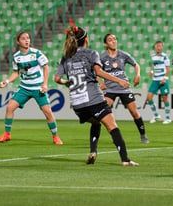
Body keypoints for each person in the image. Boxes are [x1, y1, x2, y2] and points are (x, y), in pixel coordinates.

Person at [54, 22, 138, 166]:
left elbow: (56, 79)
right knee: (112, 126)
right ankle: (125, 159)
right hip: (94, 99)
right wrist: (119, 81)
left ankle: (93, 152)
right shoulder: (91, 53)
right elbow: (99, 72)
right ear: (86, 40)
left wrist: (66, 83)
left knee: (96, 122)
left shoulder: (66, 57)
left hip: (78, 104)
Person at [0, 31, 63, 145]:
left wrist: (45, 84)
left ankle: (55, 136)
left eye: (28, 38)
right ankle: (7, 134)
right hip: (24, 88)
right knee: (10, 108)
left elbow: (46, 68)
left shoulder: (37, 53)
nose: (27, 40)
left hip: (38, 88)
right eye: (23, 38)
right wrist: (6, 81)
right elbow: (16, 73)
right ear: (18, 41)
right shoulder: (16, 57)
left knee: (47, 111)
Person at [99, 33, 149, 144]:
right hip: (110, 89)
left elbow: (136, 65)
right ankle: (113, 136)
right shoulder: (102, 57)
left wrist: (138, 75)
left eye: (115, 39)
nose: (113, 41)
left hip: (124, 88)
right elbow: (95, 71)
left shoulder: (123, 54)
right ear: (105, 44)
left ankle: (143, 135)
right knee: (104, 113)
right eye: (110, 40)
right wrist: (100, 82)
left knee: (134, 112)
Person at [146, 40, 172, 124]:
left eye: (160, 46)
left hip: (163, 79)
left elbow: (168, 68)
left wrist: (165, 78)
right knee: (149, 97)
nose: (159, 47)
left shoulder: (165, 56)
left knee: (164, 98)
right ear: (155, 47)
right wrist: (152, 71)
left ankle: (168, 118)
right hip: (155, 79)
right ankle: (156, 115)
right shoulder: (153, 56)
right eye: (157, 46)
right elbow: (155, 65)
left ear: (162, 47)